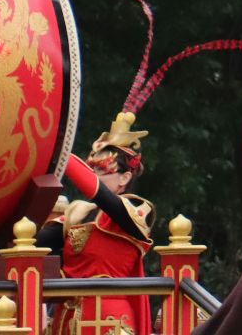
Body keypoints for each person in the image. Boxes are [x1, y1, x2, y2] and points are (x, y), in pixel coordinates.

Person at [37, 111, 155, 335]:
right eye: (92, 169)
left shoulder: (138, 211)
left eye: (102, 170)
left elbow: (100, 195)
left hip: (109, 320)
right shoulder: (77, 213)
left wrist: (60, 148)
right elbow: (36, 244)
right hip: (66, 318)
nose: (94, 175)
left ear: (124, 178)